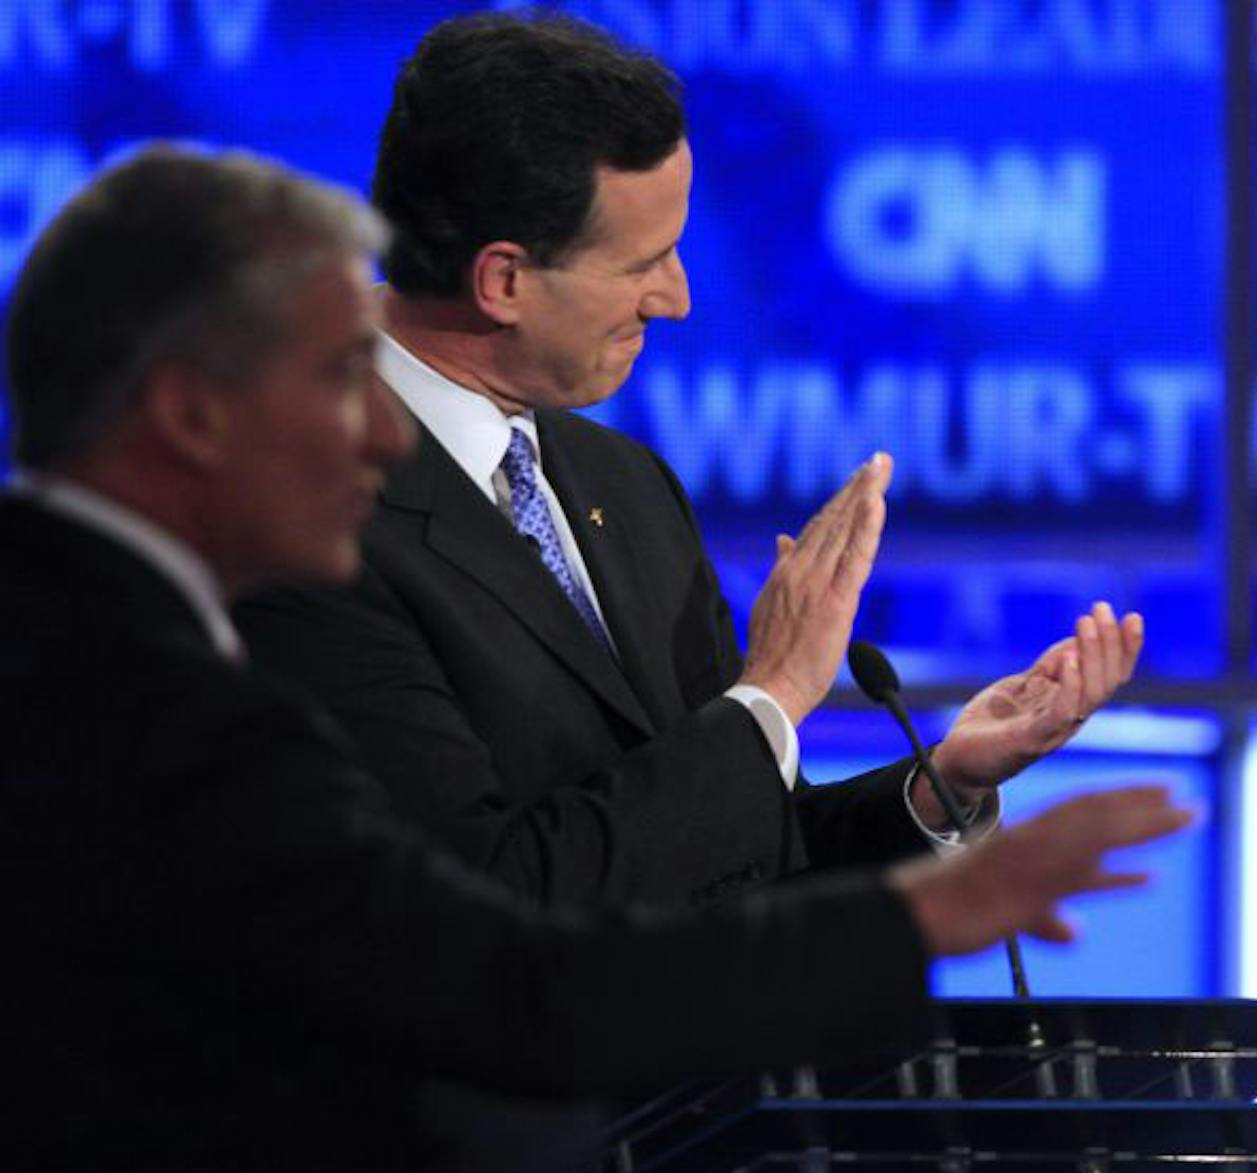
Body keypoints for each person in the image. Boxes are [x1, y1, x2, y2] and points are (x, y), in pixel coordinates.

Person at [0, 146, 1188, 1172]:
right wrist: (913, 896)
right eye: (332, 378)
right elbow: (498, 971)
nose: (376, 429)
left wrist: (938, 800)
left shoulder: (616, 492)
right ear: (192, 414)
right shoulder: (133, 695)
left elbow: (711, 865)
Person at [232, 8, 1142, 911]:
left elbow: (731, 855)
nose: (677, 300)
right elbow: (486, 898)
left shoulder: (625, 489)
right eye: (645, 264)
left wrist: (941, 783)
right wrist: (776, 690)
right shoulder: (295, 521)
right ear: (503, 281)